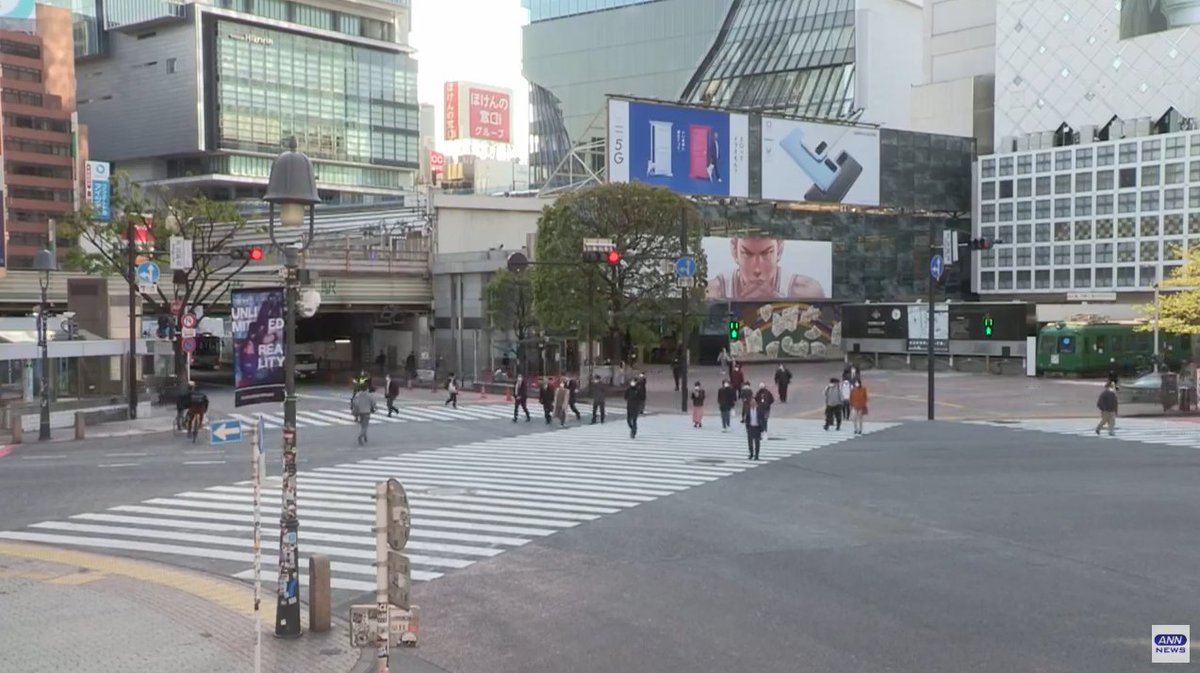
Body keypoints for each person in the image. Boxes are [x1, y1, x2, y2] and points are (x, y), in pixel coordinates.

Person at [706, 238, 826, 301]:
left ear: (779, 250)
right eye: (747, 254)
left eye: (766, 254)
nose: (757, 269)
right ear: (734, 251)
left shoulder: (806, 292)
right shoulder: (714, 292)